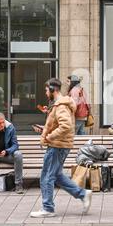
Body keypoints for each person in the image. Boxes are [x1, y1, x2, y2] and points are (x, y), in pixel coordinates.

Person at [30, 78, 92, 218]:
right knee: (57, 175)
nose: (46, 93)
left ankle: (48, 208)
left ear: (53, 90)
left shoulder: (61, 105)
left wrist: (49, 136)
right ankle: (83, 194)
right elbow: (60, 125)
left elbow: (66, 126)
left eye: (46, 90)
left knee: (47, 176)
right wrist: (45, 129)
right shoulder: (59, 104)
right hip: (60, 144)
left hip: (57, 145)